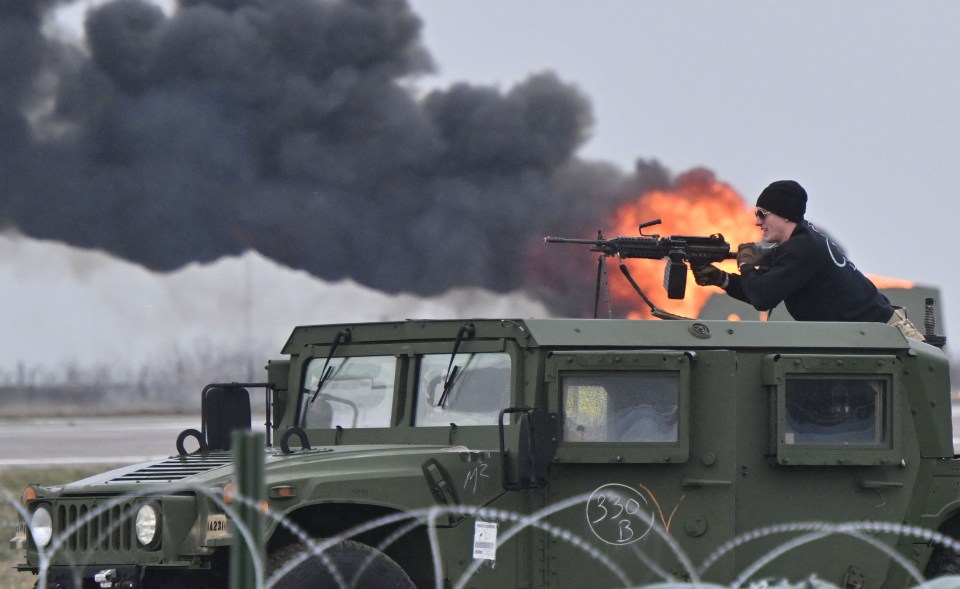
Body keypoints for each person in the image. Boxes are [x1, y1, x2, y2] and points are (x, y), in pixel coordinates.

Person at [692, 180, 924, 341]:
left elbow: (763, 297)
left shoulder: (802, 249)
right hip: (873, 337)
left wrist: (745, 265)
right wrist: (722, 280)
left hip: (887, 339)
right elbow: (765, 289)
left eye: (762, 214)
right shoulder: (799, 243)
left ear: (783, 214)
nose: (757, 222)